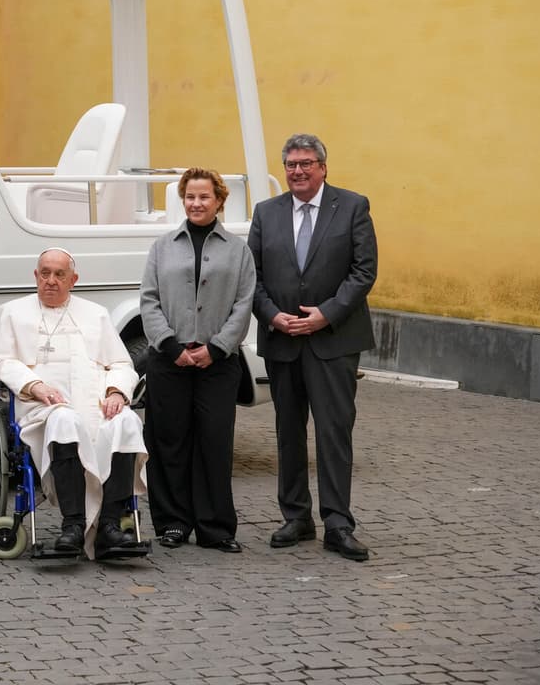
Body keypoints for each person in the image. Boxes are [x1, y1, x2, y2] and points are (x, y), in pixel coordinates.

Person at [248, 133, 378, 562]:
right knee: (288, 433)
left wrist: (326, 313)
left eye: (306, 163)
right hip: (282, 340)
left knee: (333, 432)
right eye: (290, 165)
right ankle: (296, 517)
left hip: (334, 341)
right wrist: (271, 315)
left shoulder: (353, 206)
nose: (298, 171)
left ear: (323, 166)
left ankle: (338, 524)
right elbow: (253, 276)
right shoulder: (266, 212)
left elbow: (364, 271)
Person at [0, 248, 148, 558]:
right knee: (65, 421)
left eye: (59, 275)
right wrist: (34, 385)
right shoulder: (12, 313)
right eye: (45, 273)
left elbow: (122, 365)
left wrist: (116, 393)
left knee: (126, 422)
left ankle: (110, 525)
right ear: (35, 276)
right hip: (41, 407)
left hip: (96, 404)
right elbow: (2, 362)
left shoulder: (95, 313)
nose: (51, 281)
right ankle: (72, 524)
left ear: (74, 280)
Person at [140, 169, 255, 553]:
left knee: (214, 441)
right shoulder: (163, 246)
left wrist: (218, 348)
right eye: (190, 196)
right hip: (169, 359)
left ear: (220, 201)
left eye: (204, 197)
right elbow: (149, 300)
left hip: (217, 363)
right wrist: (173, 347)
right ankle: (172, 522)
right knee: (169, 441)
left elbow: (244, 303)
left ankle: (216, 527)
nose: (196, 203)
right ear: (182, 199)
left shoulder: (238, 250)